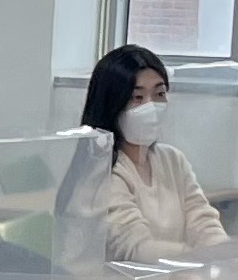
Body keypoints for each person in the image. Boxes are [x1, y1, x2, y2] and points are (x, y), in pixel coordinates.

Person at [60, 43, 228, 268]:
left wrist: (224, 252)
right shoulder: (101, 171)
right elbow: (135, 248)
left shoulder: (172, 160)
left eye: (159, 94)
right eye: (137, 97)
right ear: (112, 104)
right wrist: (200, 258)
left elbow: (203, 221)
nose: (151, 106)